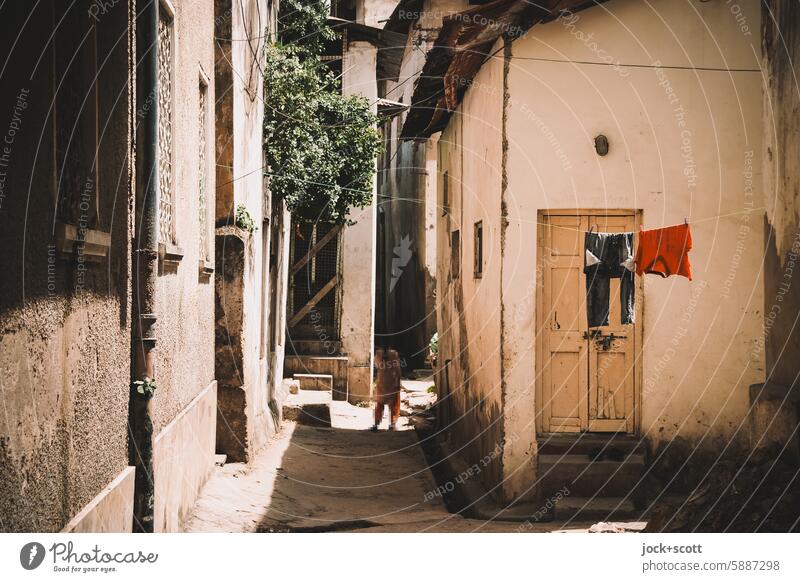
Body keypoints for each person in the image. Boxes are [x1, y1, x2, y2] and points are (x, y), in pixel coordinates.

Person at [372, 346, 401, 431]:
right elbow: (397, 370)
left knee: (380, 404)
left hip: (381, 382)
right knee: (393, 405)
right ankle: (392, 424)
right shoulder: (394, 354)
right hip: (392, 382)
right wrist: (398, 382)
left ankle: (376, 424)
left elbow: (376, 365)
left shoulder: (378, 354)